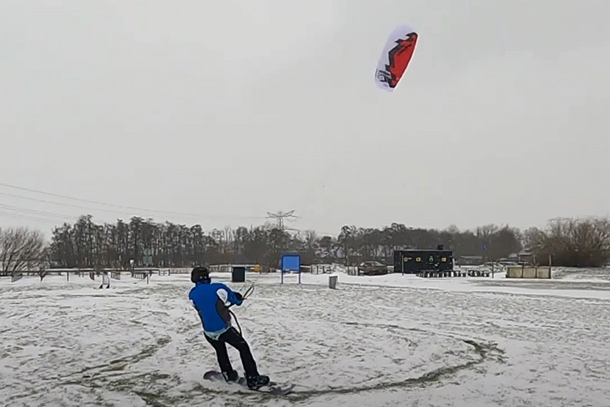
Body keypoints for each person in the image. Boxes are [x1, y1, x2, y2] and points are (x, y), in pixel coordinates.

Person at [188, 265, 269, 389]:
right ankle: (253, 379)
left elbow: (205, 305)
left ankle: (228, 374)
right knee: (243, 348)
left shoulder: (192, 294)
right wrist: (238, 297)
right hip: (224, 329)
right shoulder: (219, 288)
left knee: (220, 350)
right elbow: (236, 300)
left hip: (208, 332)